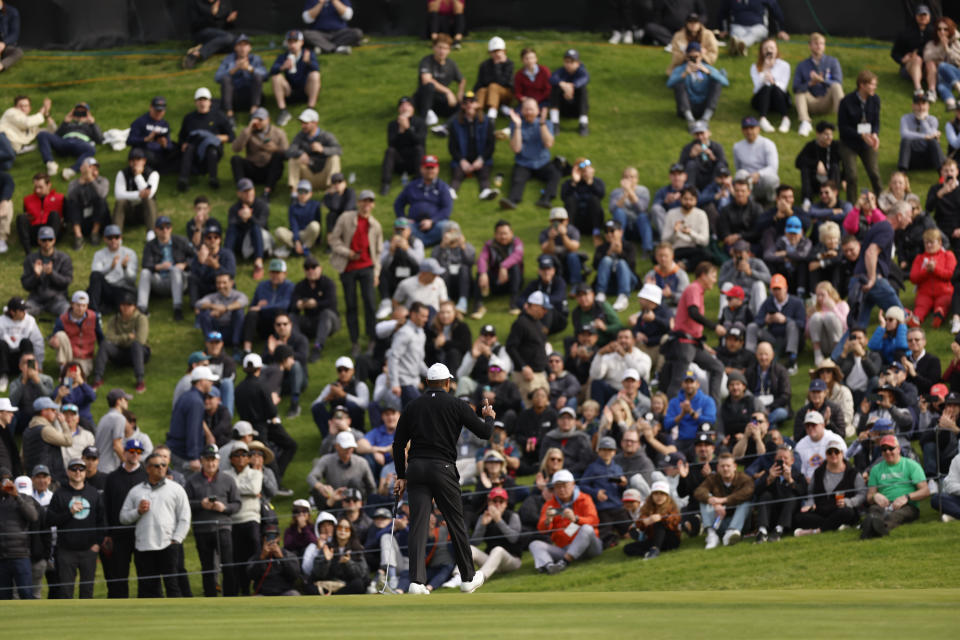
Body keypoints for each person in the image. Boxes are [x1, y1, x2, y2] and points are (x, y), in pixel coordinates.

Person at [392, 362, 494, 594]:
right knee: (455, 521)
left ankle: (416, 582)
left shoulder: (412, 405)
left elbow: (398, 444)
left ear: (427, 383)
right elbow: (485, 433)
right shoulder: (457, 404)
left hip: (416, 468)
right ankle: (467, 577)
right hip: (443, 468)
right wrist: (488, 417)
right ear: (448, 383)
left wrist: (401, 475)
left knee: (418, 524)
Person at [119, 451, 191, 598]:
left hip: (168, 545)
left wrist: (176, 539)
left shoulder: (176, 489)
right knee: (147, 589)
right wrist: (138, 511)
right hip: (144, 546)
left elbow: (184, 517)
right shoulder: (136, 491)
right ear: (148, 469)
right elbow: (123, 517)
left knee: (173, 586)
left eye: (164, 465)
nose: (161, 468)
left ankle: (176, 618)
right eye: (156, 465)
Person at [329, 189, 382, 356]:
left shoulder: (375, 225)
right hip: (348, 267)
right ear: (358, 203)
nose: (367, 205)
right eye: (364, 201)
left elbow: (378, 252)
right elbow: (334, 239)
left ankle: (372, 339)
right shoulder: (346, 218)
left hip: (367, 267)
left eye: (370, 201)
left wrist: (376, 273)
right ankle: (355, 341)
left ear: (373, 205)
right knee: (351, 305)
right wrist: (348, 253)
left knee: (370, 303)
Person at [45, 457, 106, 599]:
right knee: (65, 591)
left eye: (81, 469)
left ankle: (87, 620)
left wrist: (98, 543)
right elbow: (50, 520)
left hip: (89, 550)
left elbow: (101, 521)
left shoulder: (93, 493)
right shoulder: (60, 494)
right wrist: (69, 512)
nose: (77, 472)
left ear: (85, 472)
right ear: (68, 472)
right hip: (66, 551)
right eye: (74, 469)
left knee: (87, 591)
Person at [665, 262, 725, 406]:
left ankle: (713, 408)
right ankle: (668, 414)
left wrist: (702, 344)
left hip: (693, 343)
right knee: (678, 380)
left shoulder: (698, 291)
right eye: (713, 276)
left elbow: (692, 323)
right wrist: (714, 326)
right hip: (685, 343)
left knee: (717, 367)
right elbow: (693, 313)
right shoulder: (693, 288)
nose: (714, 280)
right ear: (703, 276)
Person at [184, 444, 240, 597]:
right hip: (202, 529)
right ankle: (210, 597)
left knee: (228, 564)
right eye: (208, 460)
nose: (211, 463)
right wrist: (200, 504)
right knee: (207, 566)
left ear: (218, 461)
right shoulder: (192, 481)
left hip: (223, 527)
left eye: (214, 460)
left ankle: (231, 596)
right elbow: (185, 504)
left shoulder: (228, 480)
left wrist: (224, 508)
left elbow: (237, 504)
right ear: (202, 461)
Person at [529, 468, 601, 573]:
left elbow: (594, 520)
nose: (562, 489)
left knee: (587, 528)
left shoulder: (585, 498)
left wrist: (576, 519)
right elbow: (542, 529)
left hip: (589, 548)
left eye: (565, 485)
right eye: (558, 486)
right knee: (534, 544)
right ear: (553, 488)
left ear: (573, 484)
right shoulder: (549, 505)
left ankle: (564, 562)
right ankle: (549, 566)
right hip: (564, 548)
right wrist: (548, 520)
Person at [861, 434, 930, 539]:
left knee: (897, 515)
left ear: (898, 449)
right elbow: (869, 497)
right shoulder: (875, 469)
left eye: (891, 448)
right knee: (874, 510)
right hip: (883, 505)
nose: (887, 452)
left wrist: (906, 497)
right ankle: (873, 526)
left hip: (907, 506)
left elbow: (925, 491)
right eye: (884, 449)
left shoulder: (911, 465)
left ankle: (876, 529)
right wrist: (875, 496)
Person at [793, 438, 864, 534]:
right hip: (821, 511)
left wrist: (848, 502)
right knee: (799, 517)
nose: (833, 455)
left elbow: (862, 494)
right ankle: (835, 525)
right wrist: (810, 504)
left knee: (847, 512)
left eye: (836, 451)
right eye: (830, 452)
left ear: (842, 454)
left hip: (841, 509)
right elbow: (811, 492)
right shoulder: (818, 472)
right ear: (826, 455)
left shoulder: (853, 473)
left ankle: (816, 531)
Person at [499, 97, 559, 210]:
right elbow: (516, 149)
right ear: (521, 111)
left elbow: (549, 144)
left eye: (531, 109)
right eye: (526, 109)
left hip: (542, 161)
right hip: (524, 162)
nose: (529, 112)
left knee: (555, 175)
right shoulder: (515, 124)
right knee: (517, 179)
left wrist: (542, 124)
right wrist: (517, 127)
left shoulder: (547, 123)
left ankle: (545, 199)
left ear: (538, 111)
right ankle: (512, 200)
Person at [176, 87, 235, 192]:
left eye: (205, 100)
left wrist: (220, 137)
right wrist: (183, 144)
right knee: (189, 148)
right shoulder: (189, 118)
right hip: (194, 148)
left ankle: (213, 179)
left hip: (212, 147)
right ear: (195, 102)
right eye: (200, 100)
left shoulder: (218, 116)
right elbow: (181, 136)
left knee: (211, 149)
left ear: (210, 102)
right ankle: (183, 179)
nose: (202, 103)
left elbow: (231, 135)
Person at [90, 294, 150, 393]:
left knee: (136, 345)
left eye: (129, 305)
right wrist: (127, 337)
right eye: (123, 305)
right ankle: (97, 378)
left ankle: (140, 380)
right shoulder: (114, 319)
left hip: (138, 352)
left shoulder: (141, 318)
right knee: (104, 344)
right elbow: (109, 337)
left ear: (134, 306)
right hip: (120, 352)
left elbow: (141, 340)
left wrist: (118, 340)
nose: (126, 308)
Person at [837, 70, 881, 203]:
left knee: (874, 174)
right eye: (872, 85)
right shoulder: (846, 102)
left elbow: (876, 121)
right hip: (849, 143)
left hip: (866, 142)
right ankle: (851, 206)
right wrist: (861, 135)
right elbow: (843, 128)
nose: (874, 87)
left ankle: (882, 202)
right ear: (862, 85)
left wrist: (875, 134)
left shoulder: (875, 99)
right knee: (852, 176)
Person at [138, 216, 193, 320]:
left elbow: (195, 257)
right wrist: (158, 266)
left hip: (180, 281)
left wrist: (184, 265)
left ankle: (178, 308)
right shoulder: (150, 245)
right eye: (161, 228)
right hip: (160, 280)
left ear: (171, 228)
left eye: (167, 227)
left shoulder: (181, 241)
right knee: (145, 272)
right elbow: (145, 264)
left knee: (175, 270)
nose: (165, 230)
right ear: (156, 230)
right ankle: (142, 308)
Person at [694, 451, 754, 548]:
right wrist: (714, 502)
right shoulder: (713, 478)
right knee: (705, 498)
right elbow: (699, 491)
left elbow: (748, 492)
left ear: (734, 466)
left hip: (739, 524)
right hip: (720, 521)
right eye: (722, 466)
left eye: (728, 466)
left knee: (746, 503)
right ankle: (712, 535)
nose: (725, 469)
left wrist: (723, 500)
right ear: (718, 468)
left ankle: (731, 533)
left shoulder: (744, 479)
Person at [746, 273, 805, 370]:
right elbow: (757, 320)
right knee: (752, 327)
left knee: (792, 325)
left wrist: (785, 319)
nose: (777, 292)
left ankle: (792, 360)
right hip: (773, 338)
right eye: (774, 289)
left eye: (779, 289)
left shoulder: (796, 302)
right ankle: (750, 357)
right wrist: (766, 320)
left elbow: (802, 325)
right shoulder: (768, 302)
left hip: (791, 339)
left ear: (786, 288)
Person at [167, 365, 219, 474]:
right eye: (209, 380)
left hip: (176, 450)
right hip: (184, 455)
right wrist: (194, 457)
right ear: (200, 382)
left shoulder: (187, 396)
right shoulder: (196, 401)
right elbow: (193, 430)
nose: (211, 383)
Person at [393, 154, 453, 247]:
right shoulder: (412, 186)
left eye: (432, 168)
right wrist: (404, 218)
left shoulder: (443, 187)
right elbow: (398, 204)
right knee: (401, 224)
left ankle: (419, 241)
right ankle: (411, 243)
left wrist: (432, 221)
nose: (430, 171)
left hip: (436, 225)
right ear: (421, 169)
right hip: (414, 225)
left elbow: (447, 209)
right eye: (427, 168)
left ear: (437, 169)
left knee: (450, 226)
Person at [230, 108, 288, 201]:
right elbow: (236, 148)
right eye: (255, 119)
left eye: (260, 120)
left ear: (268, 120)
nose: (257, 122)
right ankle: (243, 190)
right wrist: (248, 129)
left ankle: (267, 192)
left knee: (278, 157)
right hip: (252, 168)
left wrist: (275, 149)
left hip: (270, 170)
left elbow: (287, 154)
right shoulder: (248, 132)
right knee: (235, 159)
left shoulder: (279, 133)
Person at [793, 33, 844, 137]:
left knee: (836, 86)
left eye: (821, 43)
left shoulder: (833, 62)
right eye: (816, 43)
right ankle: (805, 122)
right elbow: (795, 87)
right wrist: (810, 83)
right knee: (799, 92)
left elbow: (838, 82)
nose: (819, 46)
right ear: (810, 46)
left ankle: (842, 122)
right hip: (810, 102)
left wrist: (822, 80)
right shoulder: (802, 65)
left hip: (827, 101)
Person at [36, 101, 102, 182]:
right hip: (64, 142)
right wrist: (65, 121)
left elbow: (99, 139)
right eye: (78, 112)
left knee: (91, 149)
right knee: (42, 134)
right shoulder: (69, 124)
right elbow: (56, 135)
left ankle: (72, 170)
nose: (80, 115)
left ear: (88, 113)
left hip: (80, 144)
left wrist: (92, 123)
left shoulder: (90, 126)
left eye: (83, 112)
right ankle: (50, 163)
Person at [668, 43, 728, 130]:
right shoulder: (680, 69)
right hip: (687, 106)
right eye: (691, 57)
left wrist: (708, 72)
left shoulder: (708, 68)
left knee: (717, 83)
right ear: (686, 57)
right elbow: (669, 84)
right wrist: (684, 74)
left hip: (704, 106)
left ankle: (705, 119)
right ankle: (690, 120)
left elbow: (725, 82)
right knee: (679, 84)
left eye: (696, 56)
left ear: (701, 56)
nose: (694, 60)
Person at [448, 92, 497, 199]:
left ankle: (485, 191)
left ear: (477, 104)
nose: (469, 105)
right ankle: (451, 191)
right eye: (466, 102)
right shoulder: (455, 123)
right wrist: (461, 160)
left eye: (472, 102)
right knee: (457, 174)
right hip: (463, 158)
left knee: (484, 174)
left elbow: (491, 146)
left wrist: (481, 159)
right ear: (462, 106)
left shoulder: (487, 122)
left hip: (481, 158)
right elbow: (452, 147)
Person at [472, 219, 524, 318]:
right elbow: (482, 259)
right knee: (480, 273)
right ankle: (478, 305)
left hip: (513, 281)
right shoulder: (489, 245)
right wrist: (483, 273)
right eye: (500, 234)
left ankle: (514, 303)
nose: (503, 236)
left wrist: (503, 266)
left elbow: (518, 256)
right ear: (495, 234)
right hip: (496, 282)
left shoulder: (517, 243)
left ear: (511, 233)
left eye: (505, 233)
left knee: (515, 267)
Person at [0, 467, 38, 600]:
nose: (6, 483)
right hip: (1, 558)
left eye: (9, 479)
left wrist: (17, 497)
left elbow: (33, 516)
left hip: (20, 555)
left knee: (26, 594)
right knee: (3, 597)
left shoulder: (24, 498)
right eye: (3, 480)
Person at [241, 257, 294, 352]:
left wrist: (263, 307)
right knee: (252, 314)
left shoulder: (289, 286)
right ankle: (247, 348)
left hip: (280, 325)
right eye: (272, 272)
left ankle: (279, 347)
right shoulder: (262, 286)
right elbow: (252, 308)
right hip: (263, 324)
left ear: (284, 274)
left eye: (278, 273)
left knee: (279, 312)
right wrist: (258, 307)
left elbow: (285, 305)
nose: (274, 275)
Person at [270, 30, 322, 127]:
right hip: (289, 92)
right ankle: (283, 111)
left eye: (295, 41)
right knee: (276, 77)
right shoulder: (283, 56)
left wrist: (308, 62)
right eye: (290, 42)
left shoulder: (308, 54)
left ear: (301, 42)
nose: (292, 45)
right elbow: (271, 71)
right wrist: (282, 67)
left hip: (306, 90)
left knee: (315, 75)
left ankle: (310, 108)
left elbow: (317, 69)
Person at [214, 34, 267, 127]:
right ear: (235, 47)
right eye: (240, 45)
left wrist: (250, 69)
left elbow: (266, 76)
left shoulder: (255, 59)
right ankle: (230, 115)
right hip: (234, 97)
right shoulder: (228, 59)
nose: (242, 48)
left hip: (252, 96)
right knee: (225, 78)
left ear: (250, 48)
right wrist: (234, 69)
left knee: (257, 76)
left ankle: (253, 112)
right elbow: (217, 77)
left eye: (245, 45)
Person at [285, 108, 342, 193]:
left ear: (315, 123)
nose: (302, 126)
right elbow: (289, 151)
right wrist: (300, 154)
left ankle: (332, 190)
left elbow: (339, 150)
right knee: (293, 160)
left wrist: (323, 149)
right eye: (302, 123)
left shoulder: (326, 136)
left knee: (334, 158)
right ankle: (294, 193)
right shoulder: (300, 136)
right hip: (307, 177)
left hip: (324, 175)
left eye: (306, 123)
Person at [414, 34, 464, 130]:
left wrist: (460, 92)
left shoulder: (451, 64)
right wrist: (448, 91)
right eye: (439, 47)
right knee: (429, 86)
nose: (442, 51)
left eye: (445, 48)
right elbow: (426, 80)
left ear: (449, 50)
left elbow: (462, 80)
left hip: (440, 100)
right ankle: (422, 122)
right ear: (434, 47)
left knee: (463, 105)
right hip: (424, 99)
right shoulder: (426, 61)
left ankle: (445, 126)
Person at [20, 225, 72, 317]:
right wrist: (35, 276)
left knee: (69, 313)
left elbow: (66, 282)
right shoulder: (30, 259)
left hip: (57, 299)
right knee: (20, 313)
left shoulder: (64, 258)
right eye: (44, 240)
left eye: (50, 239)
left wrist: (52, 274)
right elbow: (26, 285)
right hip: (35, 300)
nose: (47, 242)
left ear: (54, 240)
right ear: (39, 241)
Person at [622, 480, 682, 559]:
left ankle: (655, 550)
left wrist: (661, 518)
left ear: (667, 496)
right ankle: (647, 554)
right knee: (627, 548)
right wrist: (645, 521)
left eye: (662, 494)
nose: (659, 497)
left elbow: (675, 520)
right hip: (653, 539)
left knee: (658, 523)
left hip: (670, 540)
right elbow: (639, 523)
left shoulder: (672, 506)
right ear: (652, 495)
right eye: (656, 494)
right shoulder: (647, 507)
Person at [381, 97, 427, 196]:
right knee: (390, 151)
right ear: (399, 109)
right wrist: (401, 130)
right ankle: (386, 183)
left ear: (413, 109)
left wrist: (408, 128)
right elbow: (391, 144)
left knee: (419, 149)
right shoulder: (393, 125)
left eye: (408, 105)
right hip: (399, 161)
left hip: (415, 162)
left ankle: (420, 181)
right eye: (402, 105)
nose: (404, 108)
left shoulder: (420, 123)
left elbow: (420, 142)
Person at [910, 228, 955, 327]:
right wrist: (926, 271)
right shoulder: (919, 258)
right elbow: (913, 278)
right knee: (921, 304)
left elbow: (951, 275)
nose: (929, 245)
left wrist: (935, 269)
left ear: (940, 242)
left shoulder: (948, 255)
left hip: (944, 291)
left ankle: (939, 315)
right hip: (925, 292)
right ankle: (916, 319)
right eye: (926, 243)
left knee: (943, 302)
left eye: (931, 242)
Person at [387, 301, 429, 408]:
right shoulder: (404, 332)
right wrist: (395, 384)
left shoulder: (421, 333)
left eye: (426, 316)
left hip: (415, 382)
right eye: (423, 316)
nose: (426, 319)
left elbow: (418, 361)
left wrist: (433, 375)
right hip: (404, 383)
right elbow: (393, 357)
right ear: (414, 315)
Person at [64, 157, 110, 250]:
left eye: (95, 169)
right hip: (81, 220)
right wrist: (81, 183)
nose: (93, 172)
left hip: (98, 219)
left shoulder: (103, 181)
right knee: (71, 202)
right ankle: (78, 236)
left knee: (101, 200)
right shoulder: (74, 183)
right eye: (90, 169)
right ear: (82, 170)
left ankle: (95, 233)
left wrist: (91, 180)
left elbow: (102, 194)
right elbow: (70, 197)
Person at [890, 4, 935, 99]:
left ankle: (932, 91)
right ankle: (918, 89)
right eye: (920, 15)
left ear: (929, 17)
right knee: (917, 59)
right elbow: (894, 53)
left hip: (927, 68)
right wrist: (902, 59)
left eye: (925, 15)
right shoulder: (905, 33)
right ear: (915, 17)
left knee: (930, 62)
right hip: (909, 68)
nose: (922, 17)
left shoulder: (934, 33)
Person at [733, 116, 780, 206]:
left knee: (772, 179)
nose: (749, 131)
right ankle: (748, 202)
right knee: (740, 174)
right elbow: (738, 167)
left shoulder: (768, 144)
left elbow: (773, 167)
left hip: (764, 179)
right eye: (746, 128)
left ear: (758, 129)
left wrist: (759, 174)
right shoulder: (737, 147)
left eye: (752, 128)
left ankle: (771, 201)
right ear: (742, 130)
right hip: (747, 180)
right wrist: (749, 177)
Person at [126, 97, 178, 175]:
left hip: (160, 155)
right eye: (157, 110)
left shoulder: (165, 124)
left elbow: (169, 145)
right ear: (151, 107)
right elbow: (129, 141)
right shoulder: (140, 122)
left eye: (161, 111)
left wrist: (165, 144)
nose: (159, 113)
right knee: (136, 152)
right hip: (145, 152)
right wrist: (146, 139)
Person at [195, 272, 248, 348]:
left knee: (239, 311)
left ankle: (235, 346)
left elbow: (244, 301)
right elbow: (198, 304)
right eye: (218, 283)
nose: (221, 286)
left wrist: (225, 309)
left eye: (224, 283)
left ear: (231, 283)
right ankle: (211, 343)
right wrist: (214, 306)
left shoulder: (238, 295)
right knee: (204, 313)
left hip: (233, 329)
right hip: (217, 329)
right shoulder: (213, 296)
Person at [750, 38, 792, 134]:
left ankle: (785, 118)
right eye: (766, 49)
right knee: (766, 87)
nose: (769, 51)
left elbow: (783, 87)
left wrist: (773, 82)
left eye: (771, 48)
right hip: (761, 99)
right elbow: (756, 89)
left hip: (779, 98)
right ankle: (763, 119)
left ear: (776, 50)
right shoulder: (755, 67)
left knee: (774, 88)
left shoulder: (785, 66)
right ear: (761, 51)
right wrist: (764, 72)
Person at [720, 0, 789, 56]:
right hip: (738, 26)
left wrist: (781, 30)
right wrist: (723, 30)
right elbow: (722, 13)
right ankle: (740, 47)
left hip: (758, 27)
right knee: (736, 34)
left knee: (754, 33)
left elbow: (776, 11)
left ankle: (741, 44)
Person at [795, 123, 842, 203]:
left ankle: (834, 199)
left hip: (831, 178)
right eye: (826, 134)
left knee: (835, 167)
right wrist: (816, 164)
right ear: (818, 134)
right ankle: (807, 200)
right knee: (805, 169)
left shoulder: (835, 146)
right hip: (815, 180)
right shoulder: (810, 146)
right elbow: (798, 162)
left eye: (831, 134)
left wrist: (844, 179)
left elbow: (843, 163)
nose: (829, 137)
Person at [182, 0, 237, 69]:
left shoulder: (223, 2)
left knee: (236, 42)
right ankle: (195, 55)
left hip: (221, 36)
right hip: (201, 33)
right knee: (229, 38)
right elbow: (195, 25)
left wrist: (229, 21)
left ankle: (204, 47)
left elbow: (223, 27)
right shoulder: (195, 2)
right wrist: (211, 15)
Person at [562, 157, 606, 242]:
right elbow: (564, 197)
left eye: (586, 169)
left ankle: (596, 232)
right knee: (570, 200)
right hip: (576, 221)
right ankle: (570, 232)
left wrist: (590, 182)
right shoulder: (569, 183)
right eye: (582, 170)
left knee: (594, 200)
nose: (584, 172)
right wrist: (574, 183)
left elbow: (601, 195)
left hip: (592, 220)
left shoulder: (597, 182)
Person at [899, 93, 944, 172]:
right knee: (906, 140)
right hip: (912, 158)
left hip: (929, 158)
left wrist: (923, 121)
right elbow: (904, 134)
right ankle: (902, 173)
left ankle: (942, 174)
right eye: (918, 104)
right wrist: (924, 136)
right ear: (913, 106)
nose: (921, 107)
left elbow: (932, 135)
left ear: (928, 106)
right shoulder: (905, 118)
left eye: (923, 104)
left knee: (933, 141)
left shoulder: (933, 120)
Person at [549, 49, 590, 136]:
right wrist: (562, 84)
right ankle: (554, 122)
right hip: (563, 107)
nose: (569, 64)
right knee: (555, 87)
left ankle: (583, 123)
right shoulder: (561, 71)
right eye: (567, 62)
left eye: (572, 62)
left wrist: (572, 86)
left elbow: (585, 78)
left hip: (577, 109)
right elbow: (552, 78)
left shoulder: (582, 71)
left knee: (583, 89)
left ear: (578, 63)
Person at [17, 173, 63, 251]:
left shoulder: (60, 198)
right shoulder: (27, 200)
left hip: (51, 231)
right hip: (34, 232)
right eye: (36, 187)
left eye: (40, 187)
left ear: (49, 185)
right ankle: (28, 252)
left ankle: (51, 248)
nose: (37, 190)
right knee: (21, 217)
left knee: (54, 214)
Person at [926, 15, 960, 109]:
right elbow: (927, 57)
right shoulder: (931, 44)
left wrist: (947, 49)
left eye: (945, 29)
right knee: (941, 86)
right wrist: (941, 47)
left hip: (957, 74)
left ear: (950, 30)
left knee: (942, 65)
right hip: (942, 78)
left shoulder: (956, 43)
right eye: (939, 29)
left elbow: (958, 61)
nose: (942, 32)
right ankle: (951, 103)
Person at [0, 0, 22, 72]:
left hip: (5, 46)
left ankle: (1, 66)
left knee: (17, 52)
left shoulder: (12, 12)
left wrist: (4, 43)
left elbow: (14, 34)